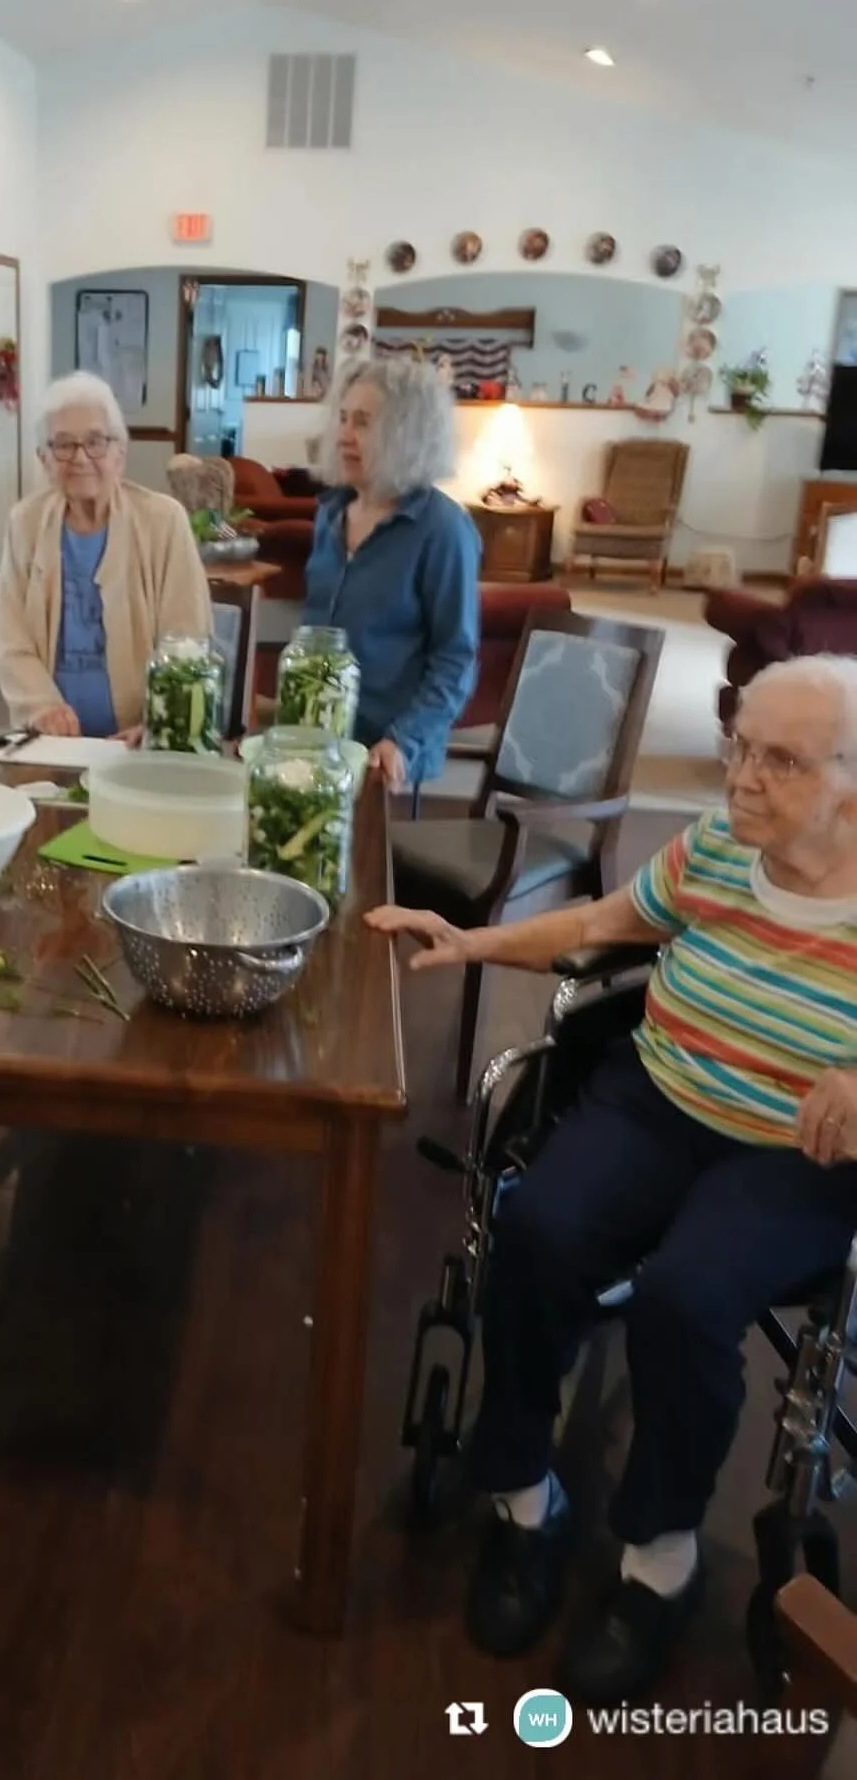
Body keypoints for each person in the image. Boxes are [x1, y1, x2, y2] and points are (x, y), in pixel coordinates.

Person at [366, 654, 857, 1704]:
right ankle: (522, 1497)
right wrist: (471, 937)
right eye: (739, 745)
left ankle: (659, 1559)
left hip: (795, 1155)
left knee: (684, 1297)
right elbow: (599, 927)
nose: (743, 779)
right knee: (535, 1228)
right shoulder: (720, 850)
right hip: (663, 1092)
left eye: (781, 759)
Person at [0, 372, 213, 739]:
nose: (80, 458)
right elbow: (12, 644)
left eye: (95, 441)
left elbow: (188, 640)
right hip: (51, 742)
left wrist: (159, 725)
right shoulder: (25, 523)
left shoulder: (164, 521)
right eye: (63, 445)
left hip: (142, 743)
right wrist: (43, 709)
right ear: (44, 458)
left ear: (120, 453)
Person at [303, 356, 480, 790]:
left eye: (363, 423)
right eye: (342, 418)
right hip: (316, 742)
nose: (343, 435)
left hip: (387, 757)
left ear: (406, 435)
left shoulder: (443, 529)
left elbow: (455, 659)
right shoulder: (329, 515)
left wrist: (403, 740)